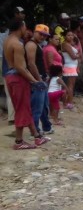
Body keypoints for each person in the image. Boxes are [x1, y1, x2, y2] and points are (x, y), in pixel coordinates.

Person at [3, 18, 50, 149]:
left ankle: (36, 136)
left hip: (10, 77)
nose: (26, 29)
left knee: (24, 108)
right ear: (21, 27)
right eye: (24, 26)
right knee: (22, 109)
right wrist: (34, 80)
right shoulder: (17, 44)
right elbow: (20, 67)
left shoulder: (8, 40)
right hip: (18, 78)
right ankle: (19, 141)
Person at [25, 24, 53, 135]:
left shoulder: (37, 45)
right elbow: (31, 64)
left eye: (45, 36)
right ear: (34, 32)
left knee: (44, 106)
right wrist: (38, 79)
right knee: (37, 107)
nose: (42, 37)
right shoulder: (31, 45)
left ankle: (46, 126)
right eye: (41, 34)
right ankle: (35, 130)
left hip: (41, 78)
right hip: (37, 81)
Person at [61, 30, 80, 109]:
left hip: (72, 67)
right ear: (65, 36)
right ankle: (68, 103)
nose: (71, 37)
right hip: (69, 67)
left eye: (72, 35)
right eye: (68, 35)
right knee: (70, 86)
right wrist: (78, 55)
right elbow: (73, 56)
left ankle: (68, 101)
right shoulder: (65, 44)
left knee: (70, 85)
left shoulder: (69, 44)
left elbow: (77, 43)